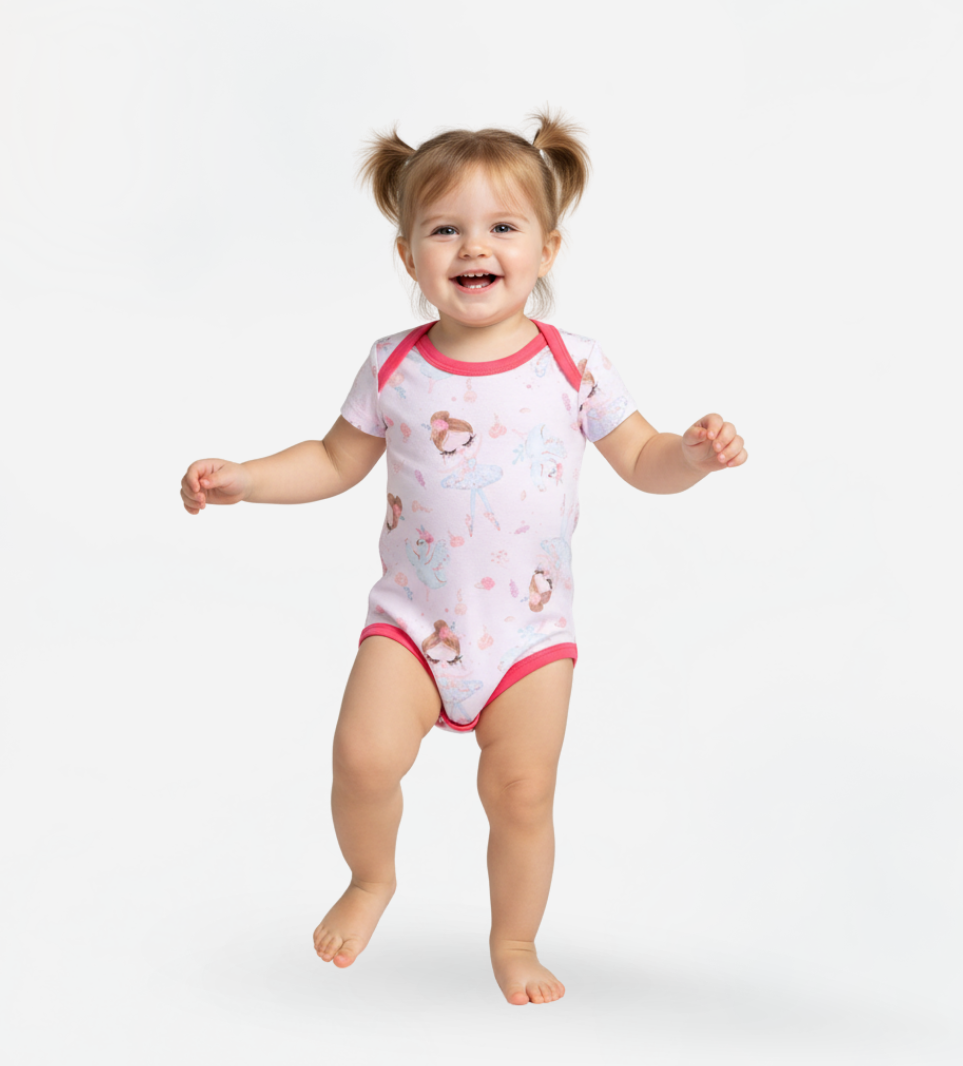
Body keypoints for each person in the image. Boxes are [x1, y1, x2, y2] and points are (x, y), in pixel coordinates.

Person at [179, 111, 748, 1006]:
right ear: (409, 256)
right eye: (445, 229)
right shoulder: (393, 366)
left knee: (521, 796)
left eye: (502, 227)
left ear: (546, 249)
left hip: (529, 636)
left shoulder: (574, 365)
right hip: (411, 624)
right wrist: (247, 478)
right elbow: (332, 460)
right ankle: (371, 878)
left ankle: (515, 940)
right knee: (361, 759)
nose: (474, 247)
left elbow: (644, 460)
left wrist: (693, 455)